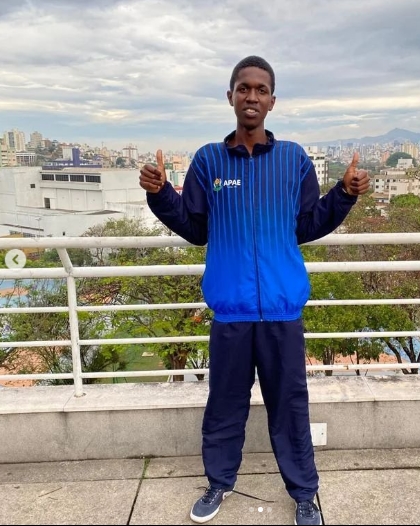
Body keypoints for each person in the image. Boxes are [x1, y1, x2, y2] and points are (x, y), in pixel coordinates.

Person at [139, 55, 370, 526]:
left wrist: (344, 194)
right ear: (230, 96)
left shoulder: (293, 159)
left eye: (261, 89)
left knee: (290, 409)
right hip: (231, 312)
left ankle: (304, 494)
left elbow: (307, 225)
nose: (251, 96)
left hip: (283, 312)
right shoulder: (208, 160)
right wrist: (161, 194)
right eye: (243, 88)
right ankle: (218, 483)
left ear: (272, 101)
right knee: (225, 406)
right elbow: (195, 229)